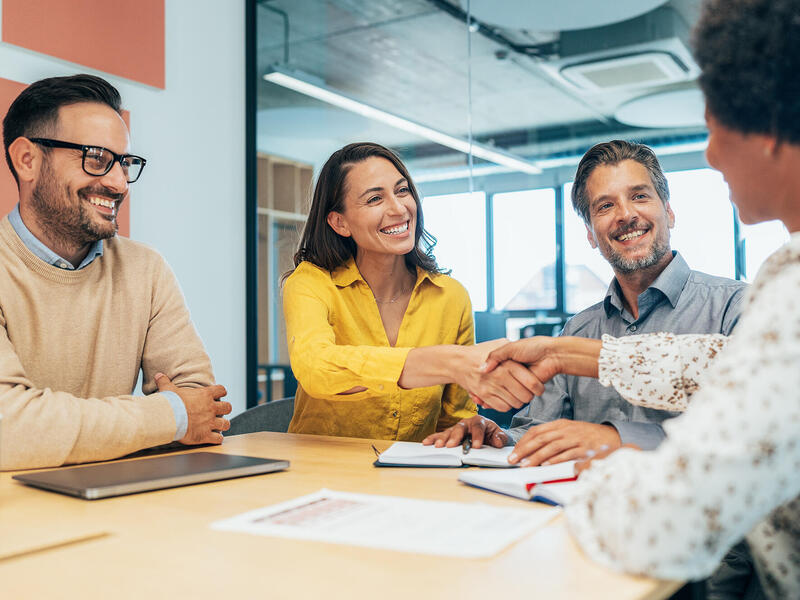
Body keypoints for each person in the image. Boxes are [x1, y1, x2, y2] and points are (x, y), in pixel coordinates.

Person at [484, 0, 800, 596]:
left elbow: (670, 521)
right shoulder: (786, 273)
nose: (709, 154)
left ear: (768, 124)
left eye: (714, 127)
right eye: (605, 206)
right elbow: (717, 365)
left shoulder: (771, 294)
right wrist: (564, 359)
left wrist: (601, 458)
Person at [423, 140, 745, 468]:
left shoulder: (737, 307)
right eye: (605, 206)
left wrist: (618, 440)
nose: (626, 214)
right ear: (590, 234)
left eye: (639, 196)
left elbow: (751, 427)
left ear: (670, 212)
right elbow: (538, 431)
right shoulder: (578, 330)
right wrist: (497, 437)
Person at [0, 74, 231, 470]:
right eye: (96, 158)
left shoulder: (146, 269)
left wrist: (176, 416)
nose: (118, 182)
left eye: (124, 163)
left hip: (119, 506)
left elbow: (202, 408)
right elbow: (10, 429)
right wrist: (167, 417)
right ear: (27, 160)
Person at [282, 142, 539, 440]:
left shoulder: (450, 297)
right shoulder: (311, 282)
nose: (398, 208)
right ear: (340, 223)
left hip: (411, 477)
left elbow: (454, 418)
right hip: (320, 473)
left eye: (402, 191)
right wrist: (450, 362)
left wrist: (469, 428)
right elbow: (316, 367)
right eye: (375, 198)